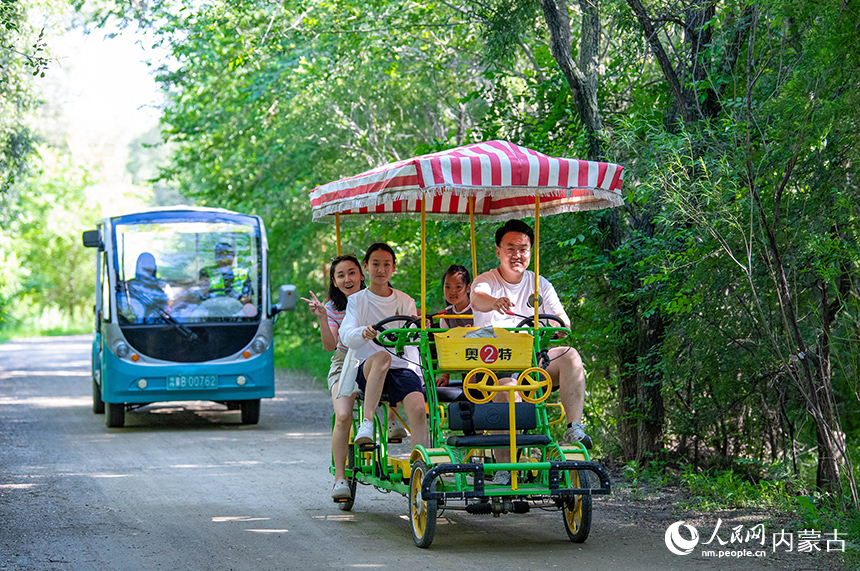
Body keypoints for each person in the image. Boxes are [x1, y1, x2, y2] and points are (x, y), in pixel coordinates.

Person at [470, 219, 588, 476]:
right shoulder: (486, 281)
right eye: (510, 248)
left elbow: (561, 319)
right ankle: (504, 466)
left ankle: (574, 426)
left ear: (531, 251)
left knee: (570, 356)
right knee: (510, 390)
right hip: (493, 362)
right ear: (498, 250)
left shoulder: (540, 284)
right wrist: (493, 302)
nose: (517, 255)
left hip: (531, 360)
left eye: (523, 248)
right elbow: (477, 299)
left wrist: (558, 326)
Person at [337, 243, 429, 450]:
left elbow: (414, 341)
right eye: (375, 264)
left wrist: (420, 328)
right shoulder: (357, 301)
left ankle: (421, 467)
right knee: (382, 357)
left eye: (386, 264)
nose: (381, 269)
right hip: (369, 368)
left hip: (402, 368)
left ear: (394, 267)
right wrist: (363, 332)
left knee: (418, 410)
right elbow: (345, 334)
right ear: (366, 267)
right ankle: (367, 423)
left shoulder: (405, 300)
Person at [301, 254, 365, 500]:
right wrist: (322, 318)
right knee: (343, 415)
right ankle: (341, 478)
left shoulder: (374, 301)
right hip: (344, 363)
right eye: (341, 275)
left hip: (373, 361)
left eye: (352, 272)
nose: (347, 278)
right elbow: (331, 346)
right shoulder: (332, 308)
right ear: (334, 282)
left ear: (361, 275)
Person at [434, 265, 473, 387]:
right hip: (463, 362)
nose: (452, 291)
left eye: (458, 287)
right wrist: (445, 376)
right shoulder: (446, 315)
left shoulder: (478, 309)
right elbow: (445, 347)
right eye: (447, 287)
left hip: (482, 360)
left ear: (468, 288)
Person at [120, 252, 169, 323]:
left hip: (158, 325)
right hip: (134, 327)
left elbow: (168, 307)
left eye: (150, 267)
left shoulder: (162, 287)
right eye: (145, 268)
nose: (148, 270)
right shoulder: (128, 286)